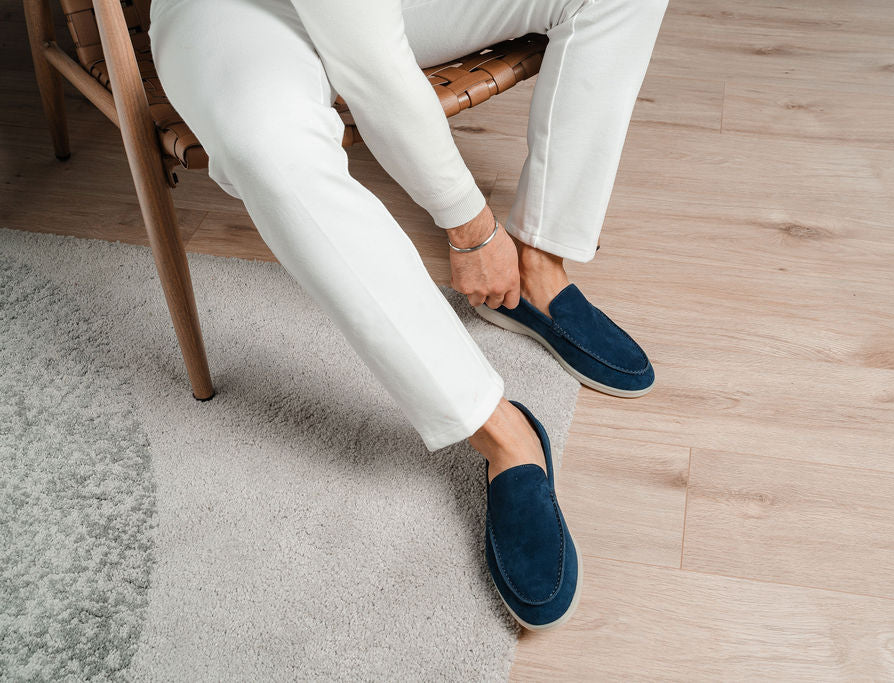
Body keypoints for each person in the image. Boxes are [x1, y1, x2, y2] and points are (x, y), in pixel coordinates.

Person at [148, 0, 668, 630]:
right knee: (267, 149)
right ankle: (502, 433)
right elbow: (370, 64)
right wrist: (471, 228)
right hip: (229, 14)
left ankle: (538, 265)